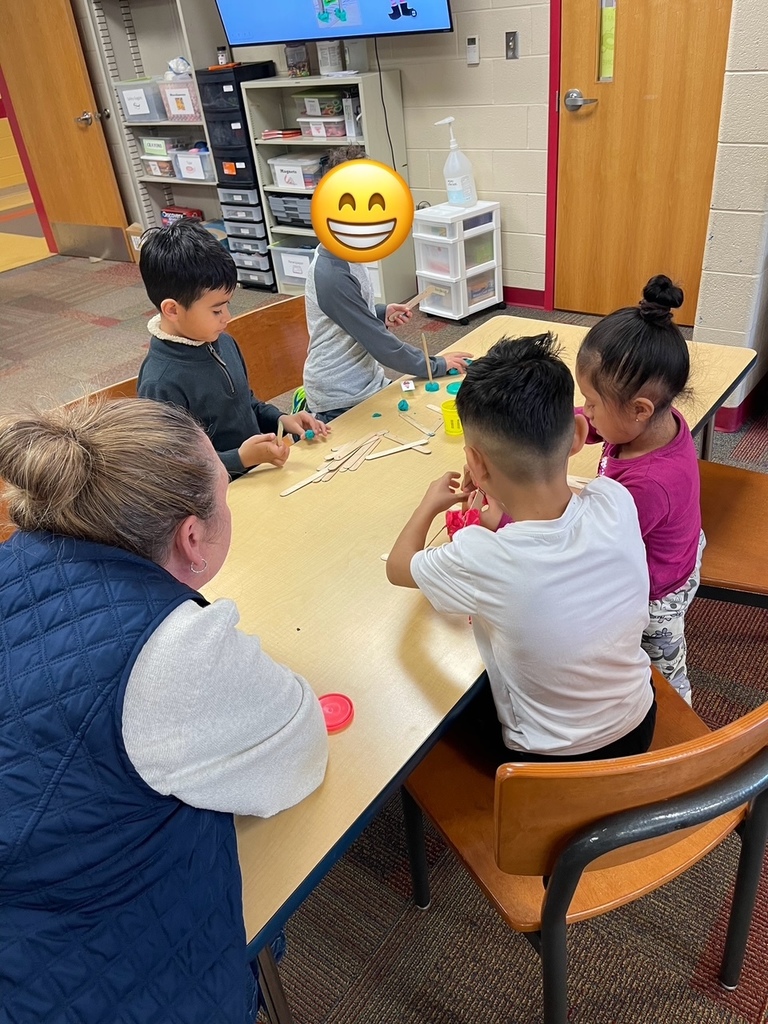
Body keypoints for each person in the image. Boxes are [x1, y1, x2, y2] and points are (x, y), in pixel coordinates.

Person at [0, 398, 328, 1023]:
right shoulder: (171, 652)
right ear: (192, 537)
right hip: (80, 981)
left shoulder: (17, 562)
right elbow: (299, 749)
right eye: (225, 495)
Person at [386, 334, 657, 763]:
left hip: (550, 766)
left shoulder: (481, 555)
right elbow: (561, 509)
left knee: (424, 716)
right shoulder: (615, 500)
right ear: (578, 435)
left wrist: (428, 505)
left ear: (475, 463)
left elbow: (399, 568)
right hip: (639, 723)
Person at [575, 275, 703, 704]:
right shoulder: (651, 426)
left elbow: (595, 548)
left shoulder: (646, 484)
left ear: (640, 409)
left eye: (591, 403)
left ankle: (682, 731)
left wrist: (512, 518)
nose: (586, 411)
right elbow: (610, 425)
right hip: (676, 547)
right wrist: (575, 423)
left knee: (661, 680)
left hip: (656, 592)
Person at [137, 218, 326, 478]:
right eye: (216, 310)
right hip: (217, 494)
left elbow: (245, 403)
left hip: (258, 471)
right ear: (172, 310)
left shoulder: (222, 341)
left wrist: (280, 419)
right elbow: (173, 466)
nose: (227, 316)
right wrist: (239, 459)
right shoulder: (160, 382)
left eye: (227, 305)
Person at [302, 146, 471, 422]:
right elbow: (379, 344)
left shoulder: (351, 252)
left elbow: (351, 312)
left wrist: (380, 312)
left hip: (365, 381)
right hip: (340, 395)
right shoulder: (331, 273)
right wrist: (435, 365)